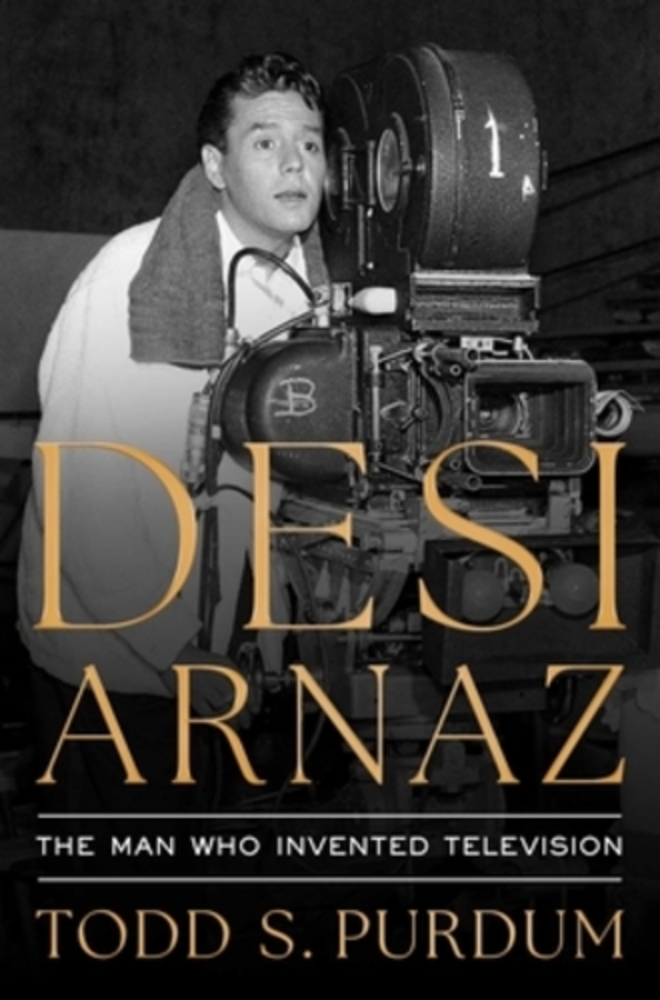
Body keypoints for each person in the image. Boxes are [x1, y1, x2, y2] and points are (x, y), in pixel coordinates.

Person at [17, 53, 329, 805]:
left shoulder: (313, 296)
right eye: (265, 141)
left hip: (231, 647)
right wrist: (174, 654)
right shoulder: (136, 278)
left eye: (311, 144)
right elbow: (84, 495)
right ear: (215, 166)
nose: (295, 163)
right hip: (116, 662)